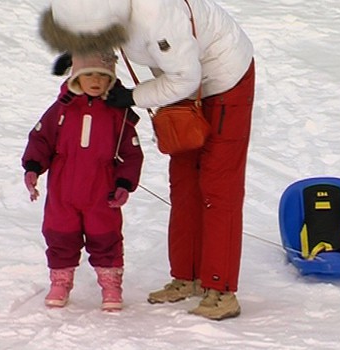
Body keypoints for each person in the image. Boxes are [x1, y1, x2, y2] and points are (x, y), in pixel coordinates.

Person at [39, 0, 255, 320]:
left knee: (217, 184)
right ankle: (187, 277)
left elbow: (185, 77)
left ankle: (220, 289)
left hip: (223, 78)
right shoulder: (102, 11)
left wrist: (132, 97)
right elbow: (103, 41)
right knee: (183, 181)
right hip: (178, 79)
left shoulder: (157, 15)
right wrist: (79, 58)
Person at [22, 50, 144, 311]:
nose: (96, 80)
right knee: (60, 234)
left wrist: (124, 184)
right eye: (88, 74)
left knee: (106, 236)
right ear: (76, 75)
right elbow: (41, 139)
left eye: (102, 75)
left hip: (102, 189)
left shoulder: (117, 113)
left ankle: (111, 285)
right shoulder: (62, 108)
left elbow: (131, 153)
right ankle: (61, 282)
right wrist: (33, 167)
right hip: (63, 188)